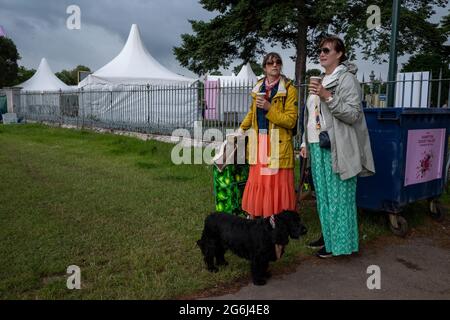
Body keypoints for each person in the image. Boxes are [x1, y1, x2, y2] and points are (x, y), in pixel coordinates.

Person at [300, 35, 375, 258]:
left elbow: (353, 114)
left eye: (326, 50)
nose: (321, 54)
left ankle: (340, 245)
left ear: (339, 53)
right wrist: (305, 141)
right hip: (316, 144)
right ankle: (329, 237)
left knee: (339, 197)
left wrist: (328, 96)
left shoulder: (346, 79)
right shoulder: (321, 78)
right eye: (320, 50)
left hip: (337, 146)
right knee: (323, 196)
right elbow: (311, 115)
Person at [238, 52, 298, 218]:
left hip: (277, 143)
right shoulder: (258, 87)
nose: (275, 65)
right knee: (259, 180)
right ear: (264, 67)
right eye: (271, 63)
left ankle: (277, 216)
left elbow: (290, 121)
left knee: (275, 181)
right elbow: (252, 113)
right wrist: (241, 130)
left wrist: (268, 107)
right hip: (259, 142)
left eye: (278, 62)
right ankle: (259, 212)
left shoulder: (289, 89)